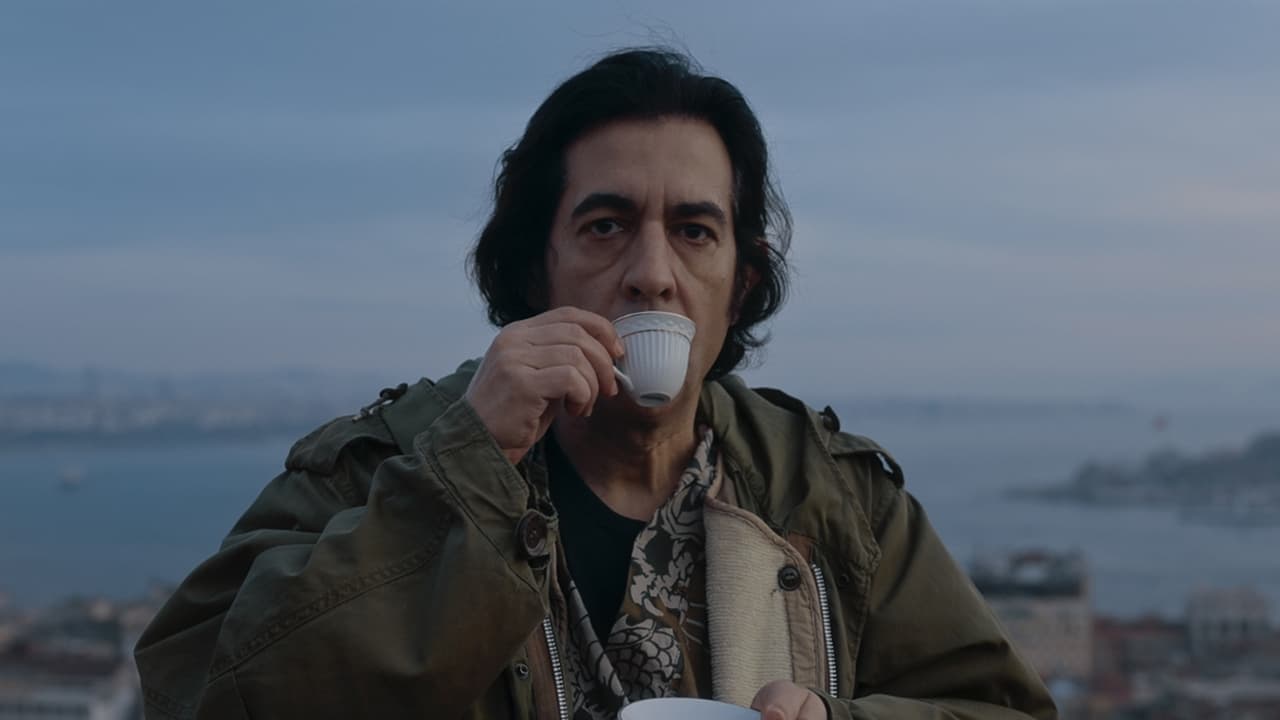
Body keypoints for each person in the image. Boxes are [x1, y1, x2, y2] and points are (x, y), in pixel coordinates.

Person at [134, 48, 1056, 720]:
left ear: (739, 285)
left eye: (694, 231)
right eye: (606, 226)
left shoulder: (833, 495)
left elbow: (1000, 707)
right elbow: (196, 688)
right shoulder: (391, 461)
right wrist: (468, 467)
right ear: (536, 268)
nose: (652, 273)